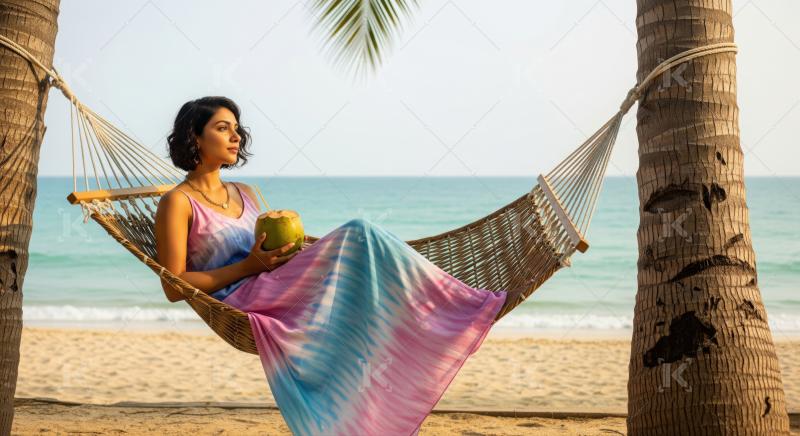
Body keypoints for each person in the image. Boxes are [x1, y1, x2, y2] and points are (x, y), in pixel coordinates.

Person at [155, 96, 507, 435]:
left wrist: (289, 252)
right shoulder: (177, 202)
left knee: (363, 257)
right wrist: (249, 266)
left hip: (278, 282)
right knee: (359, 233)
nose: (236, 136)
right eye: (222, 128)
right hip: (246, 298)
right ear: (195, 138)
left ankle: (433, 313)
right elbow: (174, 286)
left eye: (237, 128)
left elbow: (274, 248)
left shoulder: (246, 191)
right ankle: (457, 305)